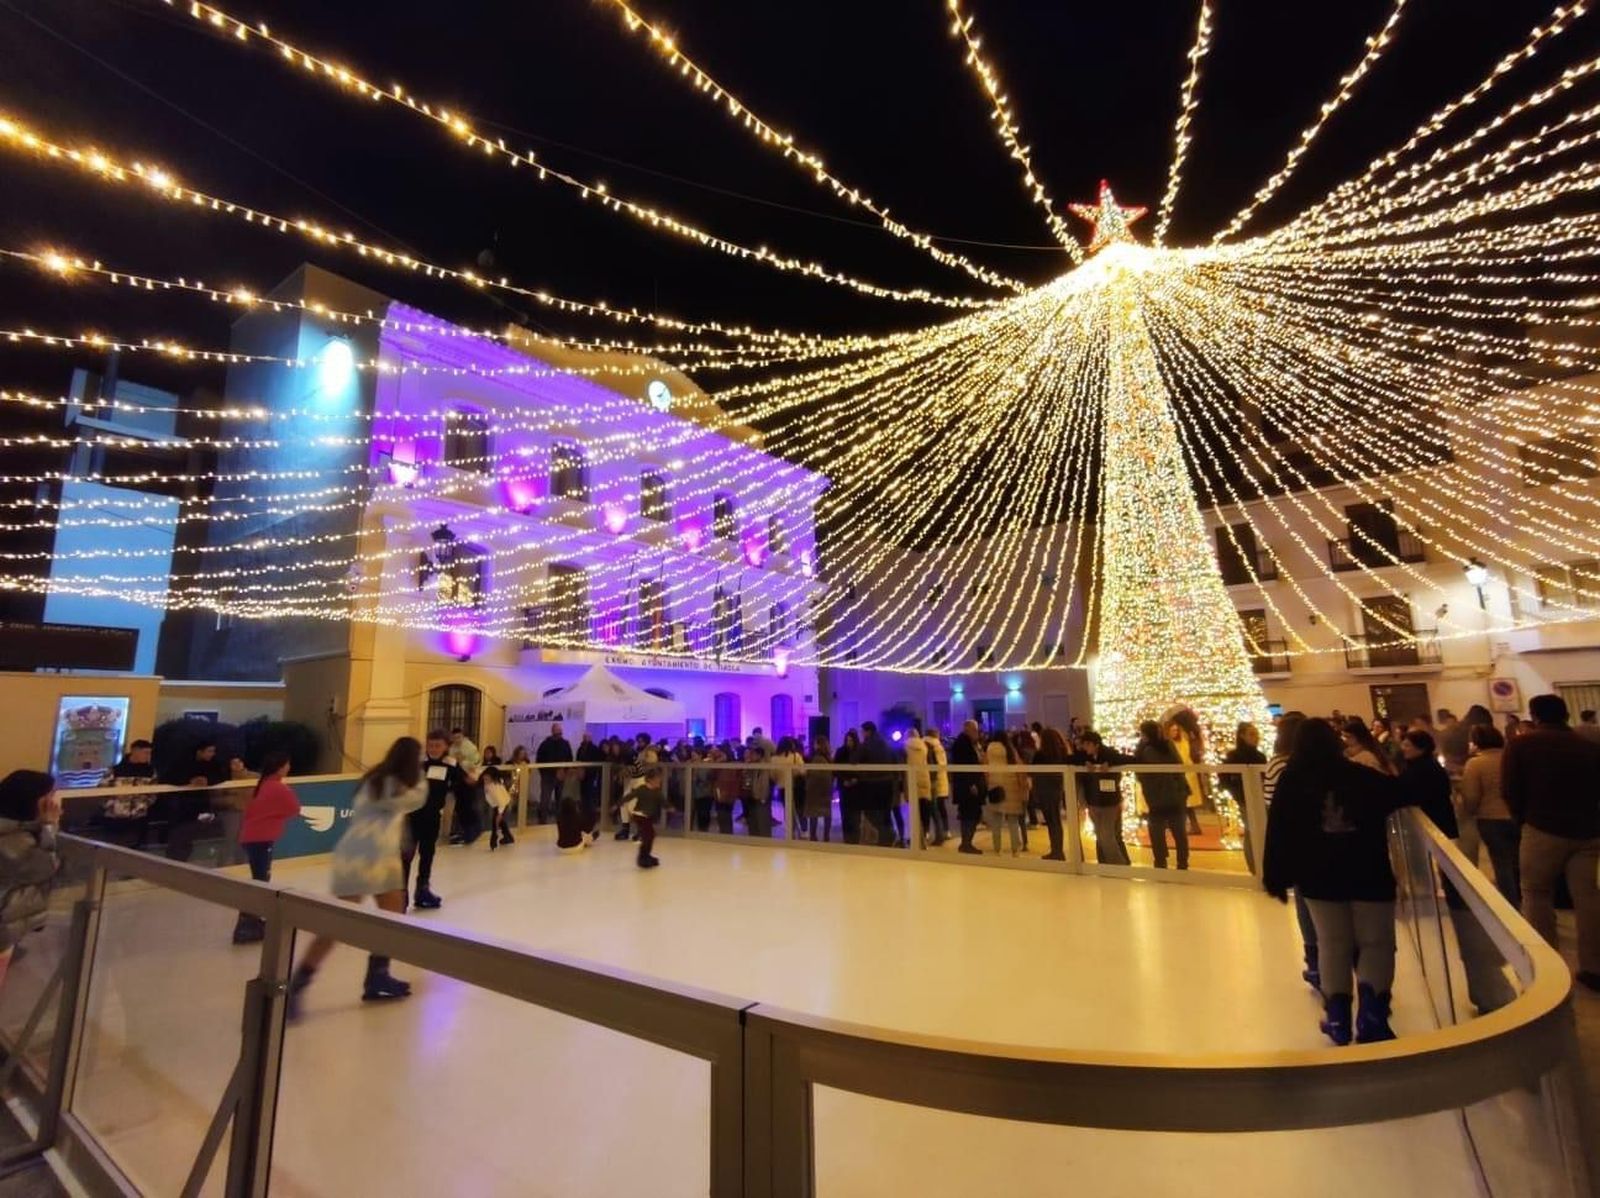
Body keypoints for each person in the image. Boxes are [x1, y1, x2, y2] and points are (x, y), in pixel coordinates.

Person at [1262, 719, 1409, 1045]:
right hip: (1368, 871)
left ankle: (1338, 1017)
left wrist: (1276, 874)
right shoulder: (1358, 776)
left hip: (1318, 877)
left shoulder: (1293, 780)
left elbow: (1278, 829)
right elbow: (1399, 792)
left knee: (1331, 943)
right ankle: (1372, 1015)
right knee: (1376, 943)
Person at [287, 738, 427, 1017]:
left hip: (366, 854)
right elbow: (417, 798)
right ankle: (298, 986)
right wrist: (424, 776)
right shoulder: (392, 784)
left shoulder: (374, 778)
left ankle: (377, 974)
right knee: (346, 922)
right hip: (369, 856)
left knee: (391, 916)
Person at [1502, 694, 1600, 992]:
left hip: (1542, 827)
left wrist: (1521, 819)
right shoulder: (1589, 747)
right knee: (1588, 898)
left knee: (1536, 894)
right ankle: (1594, 967)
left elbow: (1510, 788)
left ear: (1535, 715)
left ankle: (1547, 968)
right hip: (1588, 831)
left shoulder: (1522, 745)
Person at [0, 771, 60, 995]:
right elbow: (46, 867)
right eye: (51, 795)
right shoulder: (15, 840)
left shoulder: (16, 831)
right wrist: (50, 827)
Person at [232, 751, 300, 945]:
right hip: (261, 839)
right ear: (280, 767)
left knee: (259, 879)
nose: (289, 768)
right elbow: (294, 809)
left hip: (252, 837)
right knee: (261, 881)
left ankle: (251, 922)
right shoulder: (278, 788)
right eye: (287, 765)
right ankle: (248, 925)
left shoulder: (263, 785)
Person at [1458, 724, 1517, 906]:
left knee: (1501, 862)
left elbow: (1472, 796)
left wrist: (1468, 811)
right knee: (1519, 861)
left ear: (1476, 742)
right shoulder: (1512, 758)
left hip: (1491, 818)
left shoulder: (1475, 764)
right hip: (1518, 815)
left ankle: (1510, 903)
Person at [404, 731, 460, 911]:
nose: (434, 749)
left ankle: (422, 891)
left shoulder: (451, 765)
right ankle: (400, 895)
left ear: (446, 746)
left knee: (427, 854)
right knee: (405, 857)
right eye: (430, 745)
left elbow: (462, 784)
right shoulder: (417, 764)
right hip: (412, 816)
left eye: (438, 745)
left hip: (432, 817)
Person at [1136, 721, 1188, 870]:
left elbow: (1145, 772)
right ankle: (1181, 862)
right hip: (1174, 794)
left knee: (1158, 831)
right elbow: (1178, 765)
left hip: (1157, 796)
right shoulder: (1167, 745)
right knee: (1178, 831)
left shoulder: (1145, 750)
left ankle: (1161, 861)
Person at [1073, 730, 1130, 865]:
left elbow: (1122, 762)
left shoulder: (1109, 754)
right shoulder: (1083, 756)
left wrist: (1108, 765)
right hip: (1094, 801)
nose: (1084, 748)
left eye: (1086, 745)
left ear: (1095, 744)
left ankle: (1118, 866)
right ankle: (1108, 864)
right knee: (1103, 835)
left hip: (1108, 802)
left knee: (1107, 836)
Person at [1220, 721, 1267, 870]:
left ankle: (1262, 866)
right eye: (1252, 734)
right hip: (1246, 799)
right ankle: (1255, 867)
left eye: (1256, 734)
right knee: (1251, 831)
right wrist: (1238, 794)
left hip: (1260, 797)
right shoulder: (1234, 756)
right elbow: (1224, 778)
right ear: (1242, 736)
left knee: (1259, 831)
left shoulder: (1260, 756)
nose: (1256, 737)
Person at [1398, 729, 1457, 837]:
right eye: (1403, 745)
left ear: (1421, 749)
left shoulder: (1426, 767)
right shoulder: (1415, 765)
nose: (1403, 749)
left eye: (1407, 746)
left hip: (1434, 820)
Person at [984, 729, 1026, 856]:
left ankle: (997, 849)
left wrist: (988, 783)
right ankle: (1015, 850)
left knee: (996, 821)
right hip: (1011, 787)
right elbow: (1019, 768)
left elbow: (985, 768)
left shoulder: (989, 750)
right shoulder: (1010, 749)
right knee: (1013, 821)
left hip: (995, 787)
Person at [1165, 709, 1207, 837]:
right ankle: (1185, 825)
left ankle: (1191, 826)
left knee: (1187, 804)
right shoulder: (1172, 743)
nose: (1175, 732)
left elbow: (1183, 758)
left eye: (1176, 730)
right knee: (1182, 804)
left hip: (1186, 775)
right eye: (1173, 730)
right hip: (1182, 775)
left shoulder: (1183, 742)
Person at [1031, 727, 1070, 861]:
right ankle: (1057, 850)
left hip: (1043, 789)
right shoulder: (1063, 753)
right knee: (1056, 820)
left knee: (1051, 820)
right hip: (1057, 788)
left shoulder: (1040, 755)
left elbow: (1032, 772)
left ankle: (1056, 851)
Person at [949, 720, 987, 855]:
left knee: (970, 813)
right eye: (975, 730)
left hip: (969, 784)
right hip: (968, 786)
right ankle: (966, 843)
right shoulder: (963, 744)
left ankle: (967, 842)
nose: (977, 733)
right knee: (969, 814)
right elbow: (965, 766)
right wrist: (971, 784)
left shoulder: (969, 743)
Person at [856, 723, 896, 846]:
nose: (862, 734)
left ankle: (885, 835)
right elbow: (894, 760)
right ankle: (888, 836)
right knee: (885, 811)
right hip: (888, 782)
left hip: (873, 783)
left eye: (862, 732)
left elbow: (854, 759)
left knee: (871, 811)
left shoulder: (867, 744)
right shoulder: (886, 743)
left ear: (867, 732)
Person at [446, 728, 484, 845]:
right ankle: (461, 832)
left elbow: (476, 762)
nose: (457, 740)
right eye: (454, 737)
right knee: (460, 808)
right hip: (457, 781)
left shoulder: (470, 747)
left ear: (462, 736)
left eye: (459, 737)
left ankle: (472, 832)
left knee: (468, 807)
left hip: (469, 780)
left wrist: (464, 763)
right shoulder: (452, 748)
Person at [555, 766, 601, 853]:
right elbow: (585, 826)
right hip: (575, 847)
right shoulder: (577, 817)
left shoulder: (559, 818)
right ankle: (591, 838)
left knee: (583, 834)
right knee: (585, 835)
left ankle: (589, 837)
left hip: (561, 848)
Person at [535, 722, 574, 824]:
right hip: (548, 776)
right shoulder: (545, 744)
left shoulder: (565, 744)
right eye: (557, 732)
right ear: (552, 732)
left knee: (560, 799)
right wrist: (547, 773)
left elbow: (569, 758)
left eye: (560, 732)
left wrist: (564, 771)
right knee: (545, 799)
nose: (559, 734)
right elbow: (539, 760)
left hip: (561, 776)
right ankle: (542, 820)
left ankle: (560, 820)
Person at [630, 767, 666, 868]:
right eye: (658, 779)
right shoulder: (643, 788)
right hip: (640, 815)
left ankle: (645, 856)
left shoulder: (654, 790)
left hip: (645, 815)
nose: (659, 782)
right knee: (648, 835)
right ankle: (643, 857)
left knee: (649, 835)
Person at [904, 723, 932, 847]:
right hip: (924, 779)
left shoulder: (904, 746)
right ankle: (925, 834)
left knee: (913, 812)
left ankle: (915, 837)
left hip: (912, 780)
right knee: (924, 808)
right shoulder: (924, 746)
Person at [802, 736, 833, 841]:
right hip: (825, 789)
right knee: (827, 813)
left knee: (813, 813)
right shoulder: (828, 758)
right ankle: (826, 836)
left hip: (814, 790)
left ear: (818, 745)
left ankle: (813, 836)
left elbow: (812, 774)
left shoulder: (816, 758)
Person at [834, 729, 862, 844]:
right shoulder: (841, 752)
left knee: (855, 813)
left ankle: (856, 837)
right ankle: (847, 837)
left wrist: (856, 780)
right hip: (844, 786)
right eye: (847, 740)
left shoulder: (860, 751)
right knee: (845, 813)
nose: (849, 742)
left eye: (851, 740)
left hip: (857, 788)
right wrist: (844, 780)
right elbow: (836, 769)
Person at [925, 727, 951, 847]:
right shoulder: (939, 746)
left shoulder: (925, 745)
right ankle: (946, 830)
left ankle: (928, 832)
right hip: (940, 779)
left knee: (930, 808)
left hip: (931, 780)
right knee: (941, 807)